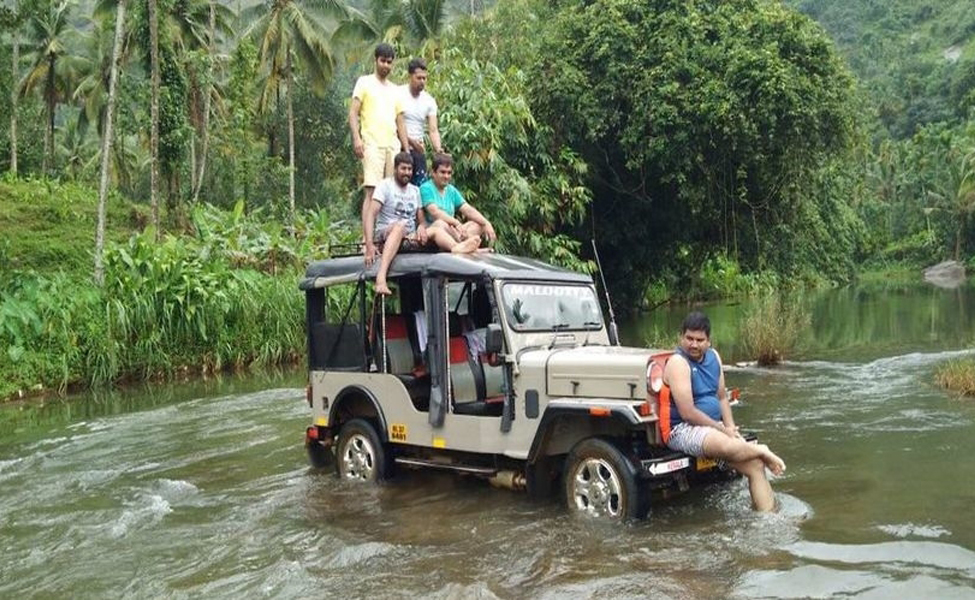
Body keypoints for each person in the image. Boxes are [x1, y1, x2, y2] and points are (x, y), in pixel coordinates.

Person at [662, 311, 786, 512]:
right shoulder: (678, 363)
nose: (693, 344)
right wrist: (721, 429)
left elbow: (721, 397)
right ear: (681, 337)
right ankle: (761, 449)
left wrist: (729, 426)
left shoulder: (714, 357)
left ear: (709, 341)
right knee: (734, 447)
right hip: (682, 430)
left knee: (755, 466)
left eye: (700, 340)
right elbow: (688, 413)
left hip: (715, 428)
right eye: (689, 338)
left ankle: (768, 520)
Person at [365, 153, 479, 295]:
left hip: (409, 238)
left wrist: (421, 227)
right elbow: (371, 214)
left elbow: (422, 221)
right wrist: (369, 243)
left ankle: (457, 248)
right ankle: (381, 278)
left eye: (410, 169)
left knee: (437, 227)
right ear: (395, 169)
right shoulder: (385, 186)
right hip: (386, 234)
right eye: (403, 168)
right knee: (400, 226)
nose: (407, 172)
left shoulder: (415, 190)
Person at [350, 43, 407, 238]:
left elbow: (400, 120)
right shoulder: (364, 82)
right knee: (372, 192)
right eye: (383, 61)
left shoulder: (396, 90)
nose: (386, 66)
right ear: (375, 60)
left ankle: (386, 236)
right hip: (371, 144)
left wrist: (405, 149)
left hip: (393, 145)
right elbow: (353, 112)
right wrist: (356, 138)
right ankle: (367, 240)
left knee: (392, 192)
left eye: (389, 62)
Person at [420, 153, 497, 247]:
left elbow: (467, 209)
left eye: (449, 173)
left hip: (453, 231)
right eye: (443, 172)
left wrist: (486, 222)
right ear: (433, 172)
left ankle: (463, 243)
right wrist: (456, 223)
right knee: (440, 223)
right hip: (434, 232)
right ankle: (465, 244)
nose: (446, 176)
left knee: (478, 224)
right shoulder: (426, 188)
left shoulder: (451, 190)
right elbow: (435, 212)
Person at [397, 58, 443, 186]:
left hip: (418, 152)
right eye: (419, 78)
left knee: (419, 189)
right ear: (410, 76)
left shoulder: (429, 101)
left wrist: (438, 149)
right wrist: (411, 142)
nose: (422, 81)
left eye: (424, 78)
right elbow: (392, 124)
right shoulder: (397, 93)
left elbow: (433, 130)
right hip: (398, 147)